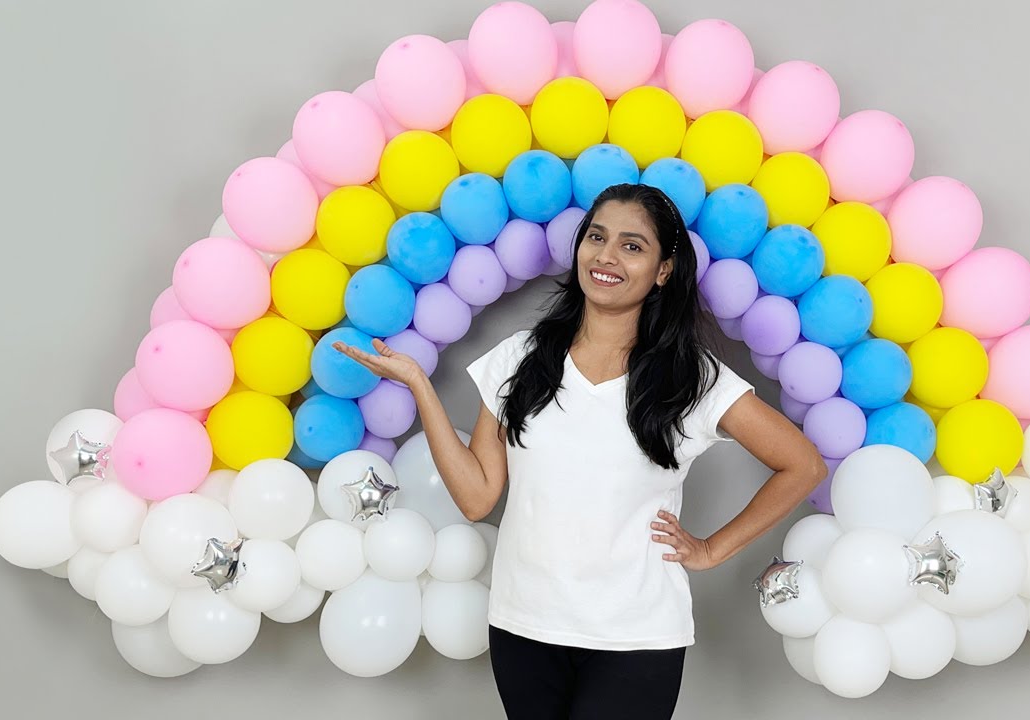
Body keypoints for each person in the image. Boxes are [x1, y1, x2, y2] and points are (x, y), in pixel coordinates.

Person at [334, 183, 827, 719]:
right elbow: (477, 498)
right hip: (523, 626)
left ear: (664, 270)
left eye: (632, 246)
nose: (607, 257)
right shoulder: (520, 358)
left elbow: (802, 464)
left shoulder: (692, 379)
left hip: (636, 636)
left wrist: (710, 550)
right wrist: (419, 388)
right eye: (597, 237)